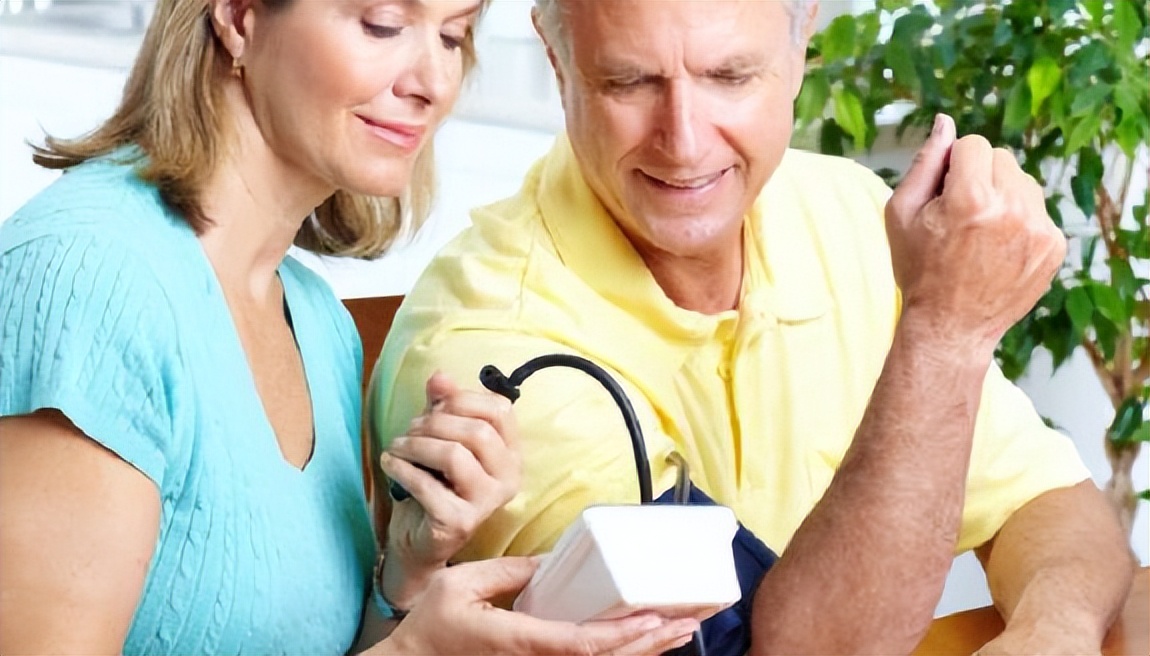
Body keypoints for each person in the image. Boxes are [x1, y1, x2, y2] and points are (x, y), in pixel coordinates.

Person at [370, 0, 1136, 653]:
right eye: (629, 81)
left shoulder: (850, 212)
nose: (685, 143)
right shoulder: (487, 346)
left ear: (801, 51)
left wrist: (1054, 629)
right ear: (557, 61)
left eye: (731, 76)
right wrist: (943, 337)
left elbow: (1049, 502)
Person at [0, 0, 700, 654]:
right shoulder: (88, 282)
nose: (434, 83)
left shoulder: (315, 321)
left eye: (452, 36)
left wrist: (408, 574)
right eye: (383, 24)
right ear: (239, 17)